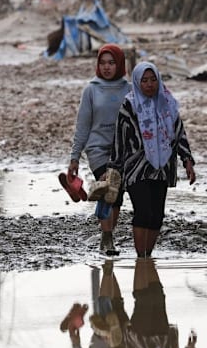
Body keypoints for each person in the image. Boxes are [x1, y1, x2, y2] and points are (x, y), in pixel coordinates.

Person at [107, 61, 196, 260]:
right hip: (136, 167)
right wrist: (114, 168)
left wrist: (187, 160)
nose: (149, 84)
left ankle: (148, 257)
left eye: (153, 80)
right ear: (137, 82)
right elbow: (119, 138)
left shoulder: (167, 103)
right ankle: (142, 259)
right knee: (143, 212)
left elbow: (179, 132)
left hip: (162, 168)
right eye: (145, 80)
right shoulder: (129, 105)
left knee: (157, 216)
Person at [69, 44, 131, 255]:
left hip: (122, 151)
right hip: (97, 150)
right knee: (107, 187)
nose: (106, 67)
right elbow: (83, 125)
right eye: (103, 63)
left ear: (119, 64)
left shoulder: (129, 90)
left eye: (111, 63)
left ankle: (108, 233)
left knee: (117, 195)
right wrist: (75, 157)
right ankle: (107, 238)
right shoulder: (91, 90)